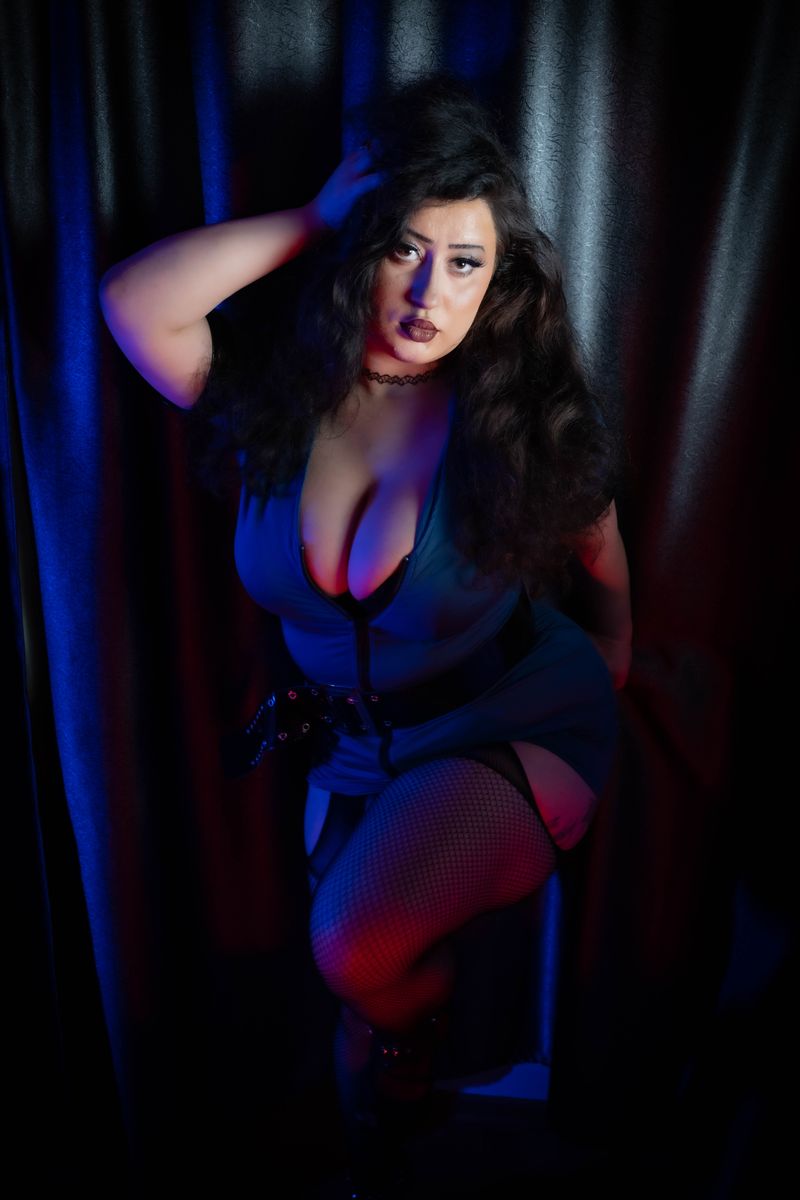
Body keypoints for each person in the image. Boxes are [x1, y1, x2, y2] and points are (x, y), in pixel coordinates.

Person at [100, 75, 632, 1199]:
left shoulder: (511, 417)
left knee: (352, 945)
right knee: (357, 1003)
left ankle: (415, 1054)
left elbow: (598, 539)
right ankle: (389, 1133)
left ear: (499, 280)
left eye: (467, 263)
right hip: (353, 750)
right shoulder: (277, 401)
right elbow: (134, 303)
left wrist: (617, 653)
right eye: (405, 250)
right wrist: (316, 215)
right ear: (362, 251)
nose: (432, 293)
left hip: (511, 720)